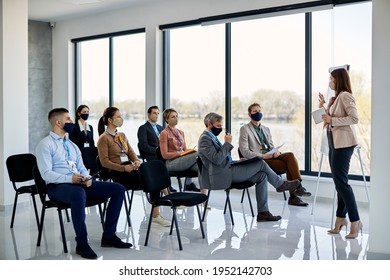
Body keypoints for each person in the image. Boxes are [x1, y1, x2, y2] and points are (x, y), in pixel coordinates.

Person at [35, 108, 132, 260]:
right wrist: (70, 179)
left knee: (118, 189)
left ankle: (109, 236)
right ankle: (82, 243)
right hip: (57, 187)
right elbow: (46, 174)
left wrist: (87, 178)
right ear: (58, 122)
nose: (72, 122)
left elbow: (81, 167)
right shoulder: (45, 145)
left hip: (78, 182)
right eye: (68, 119)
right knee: (78, 194)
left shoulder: (72, 145)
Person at [198, 112, 300, 222]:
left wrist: (238, 161)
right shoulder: (205, 139)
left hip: (228, 170)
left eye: (221, 126)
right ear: (209, 123)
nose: (221, 128)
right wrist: (227, 144)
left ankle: (263, 213)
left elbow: (222, 159)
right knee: (260, 163)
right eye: (218, 126)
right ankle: (280, 184)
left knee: (262, 175)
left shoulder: (212, 137)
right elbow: (217, 160)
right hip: (221, 176)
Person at [97, 106, 170, 227]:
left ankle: (160, 210)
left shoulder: (122, 135)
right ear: (110, 120)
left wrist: (136, 161)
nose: (121, 118)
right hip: (118, 172)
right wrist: (123, 168)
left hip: (130, 169)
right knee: (152, 179)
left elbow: (131, 152)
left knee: (154, 176)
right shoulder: (103, 138)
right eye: (118, 116)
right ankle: (159, 211)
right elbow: (104, 162)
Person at [239, 103, 311, 207]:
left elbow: (271, 146)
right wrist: (263, 156)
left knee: (290, 155)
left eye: (259, 111)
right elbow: (245, 151)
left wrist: (276, 152)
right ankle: (295, 195)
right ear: (249, 114)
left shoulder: (266, 129)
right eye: (255, 111)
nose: (258, 113)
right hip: (261, 160)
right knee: (288, 166)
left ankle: (299, 188)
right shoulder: (245, 129)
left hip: (271, 156)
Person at [318, 68, 362, 239]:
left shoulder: (345, 95)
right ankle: (340, 220)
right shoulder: (336, 98)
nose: (330, 81)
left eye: (331, 78)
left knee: (342, 184)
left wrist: (332, 120)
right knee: (339, 184)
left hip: (344, 144)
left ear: (338, 79)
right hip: (333, 143)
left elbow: (354, 118)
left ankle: (355, 221)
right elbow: (327, 120)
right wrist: (323, 108)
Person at [159, 108, 200, 192]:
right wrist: (179, 153)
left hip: (182, 160)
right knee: (200, 153)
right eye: (173, 117)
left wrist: (190, 151)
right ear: (167, 119)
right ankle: (188, 185)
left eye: (177, 116)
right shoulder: (164, 133)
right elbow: (164, 155)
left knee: (202, 167)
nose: (176, 118)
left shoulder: (181, 132)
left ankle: (203, 199)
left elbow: (184, 150)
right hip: (171, 163)